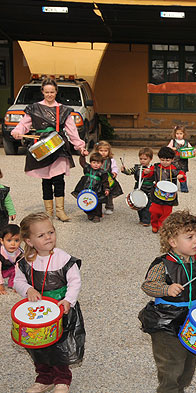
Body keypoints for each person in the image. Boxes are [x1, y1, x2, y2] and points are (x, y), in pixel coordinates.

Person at [138, 210, 196, 393]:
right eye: (189, 237)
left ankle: (179, 389)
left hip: (192, 321)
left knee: (188, 365)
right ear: (173, 242)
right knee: (171, 365)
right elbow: (148, 286)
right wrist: (166, 289)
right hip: (166, 321)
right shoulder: (163, 264)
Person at [13, 213, 85, 393]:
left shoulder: (64, 259)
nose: (48, 237)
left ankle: (62, 379)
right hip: (37, 314)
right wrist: (28, 290)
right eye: (41, 235)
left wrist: (68, 300)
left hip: (62, 310)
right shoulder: (24, 262)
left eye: (51, 232)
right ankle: (44, 377)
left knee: (59, 345)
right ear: (29, 241)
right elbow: (18, 282)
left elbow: (75, 282)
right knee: (37, 346)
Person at [11, 78, 89, 222]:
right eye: (46, 92)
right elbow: (24, 124)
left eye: (52, 92)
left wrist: (80, 146)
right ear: (42, 92)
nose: (49, 94)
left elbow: (72, 131)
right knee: (46, 181)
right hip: (42, 148)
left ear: (56, 92)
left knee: (59, 179)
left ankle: (60, 211)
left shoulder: (63, 110)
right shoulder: (34, 108)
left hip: (58, 147)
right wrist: (17, 131)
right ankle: (49, 212)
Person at [144, 146, 186, 233]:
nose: (165, 162)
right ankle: (154, 224)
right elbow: (149, 173)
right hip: (157, 193)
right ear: (159, 159)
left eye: (167, 160)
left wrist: (181, 176)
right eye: (162, 160)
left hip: (169, 194)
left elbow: (181, 173)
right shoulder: (156, 167)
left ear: (172, 160)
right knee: (154, 211)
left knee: (166, 212)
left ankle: (161, 226)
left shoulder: (174, 168)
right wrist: (147, 172)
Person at [71, 152, 110, 222]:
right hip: (85, 188)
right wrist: (82, 155)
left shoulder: (103, 173)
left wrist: (106, 189)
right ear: (90, 162)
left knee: (97, 203)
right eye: (94, 162)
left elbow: (105, 182)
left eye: (98, 163)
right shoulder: (87, 168)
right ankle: (89, 213)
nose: (95, 165)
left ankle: (97, 215)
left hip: (97, 190)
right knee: (85, 201)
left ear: (101, 164)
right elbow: (82, 162)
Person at [121, 147, 154, 226]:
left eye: (145, 159)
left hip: (149, 188)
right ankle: (141, 219)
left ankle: (147, 220)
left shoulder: (153, 168)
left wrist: (151, 171)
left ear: (150, 159)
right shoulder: (137, 167)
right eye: (141, 159)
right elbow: (129, 172)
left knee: (147, 205)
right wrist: (124, 170)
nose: (142, 161)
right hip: (138, 187)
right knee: (138, 204)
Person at [94, 140, 123, 215]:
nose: (103, 152)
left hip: (108, 179)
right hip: (98, 179)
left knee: (109, 194)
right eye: (101, 150)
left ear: (109, 151)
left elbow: (114, 167)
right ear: (97, 151)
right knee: (98, 192)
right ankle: (96, 206)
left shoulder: (111, 160)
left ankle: (109, 207)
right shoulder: (96, 160)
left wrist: (114, 172)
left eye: (105, 151)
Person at [167, 125, 196, 193]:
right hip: (174, 161)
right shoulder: (173, 141)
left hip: (183, 161)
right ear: (175, 134)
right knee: (173, 175)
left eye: (181, 133)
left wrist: (194, 152)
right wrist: (173, 148)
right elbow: (168, 148)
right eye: (177, 133)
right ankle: (172, 188)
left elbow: (191, 149)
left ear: (184, 134)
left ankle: (184, 188)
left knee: (182, 175)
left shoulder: (186, 142)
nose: (179, 135)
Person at [0, 223, 22, 294]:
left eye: (16, 240)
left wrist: (19, 285)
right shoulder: (1, 253)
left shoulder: (20, 252)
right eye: (9, 240)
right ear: (2, 241)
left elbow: (20, 269)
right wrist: (1, 286)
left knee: (19, 268)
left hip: (8, 269)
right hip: (1, 270)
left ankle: (13, 284)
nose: (13, 244)